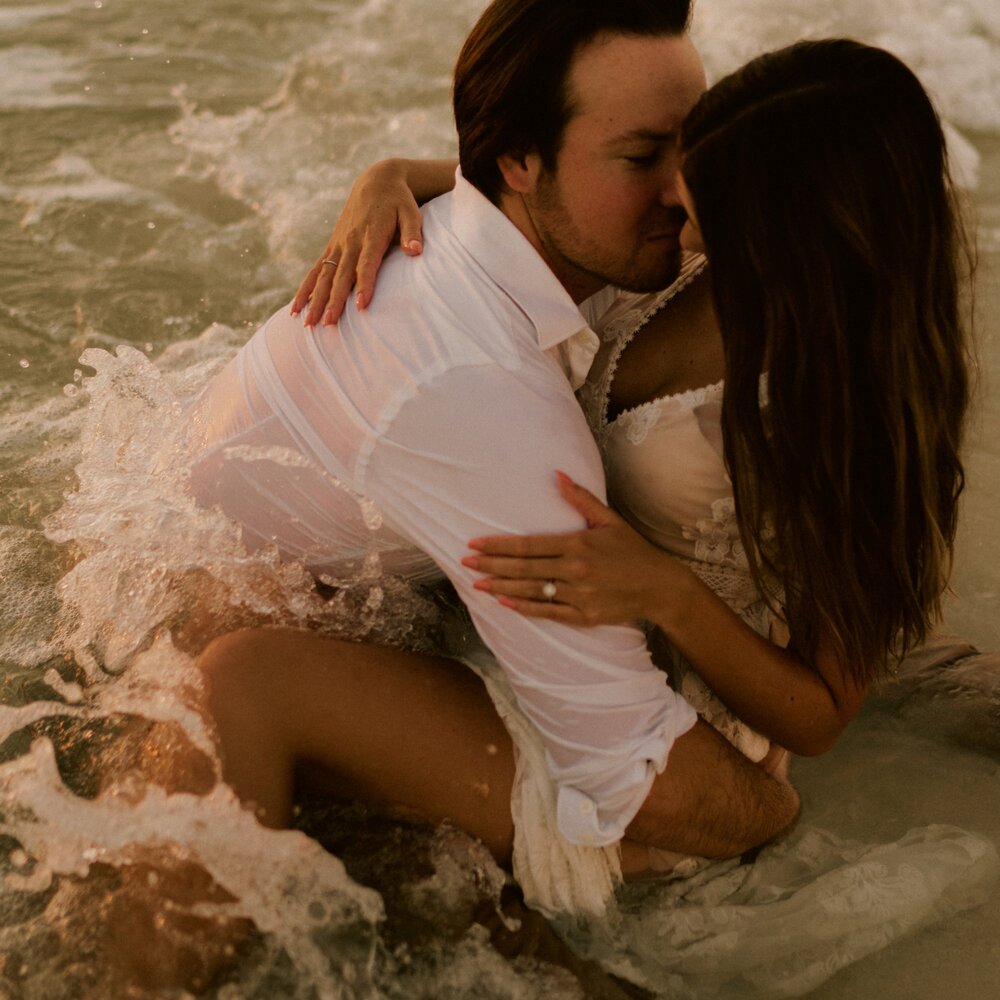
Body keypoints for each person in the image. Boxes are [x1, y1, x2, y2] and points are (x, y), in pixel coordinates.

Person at [187, 0, 801, 920]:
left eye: (693, 145)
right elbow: (638, 781)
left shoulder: (478, 237)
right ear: (517, 160)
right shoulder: (491, 406)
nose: (685, 190)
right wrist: (778, 807)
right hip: (207, 669)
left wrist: (394, 170)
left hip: (248, 577)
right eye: (643, 158)